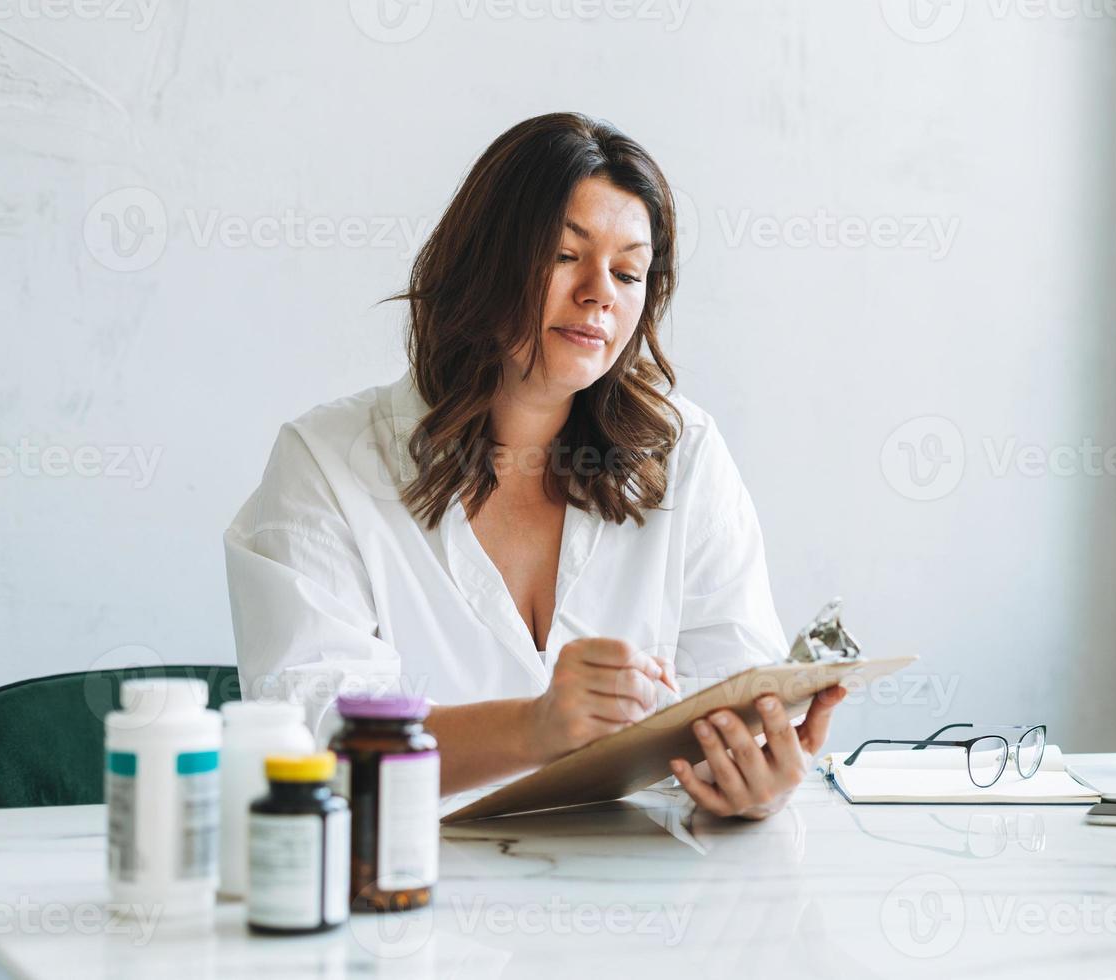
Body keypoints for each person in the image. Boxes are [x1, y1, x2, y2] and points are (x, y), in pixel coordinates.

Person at [224, 112, 845, 819]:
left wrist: (753, 780)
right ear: (482, 260)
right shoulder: (327, 464)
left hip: (637, 902)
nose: (599, 293)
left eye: (628, 271)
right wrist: (536, 727)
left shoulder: (686, 455)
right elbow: (314, 740)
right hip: (405, 899)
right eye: (562, 255)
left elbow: (734, 690)